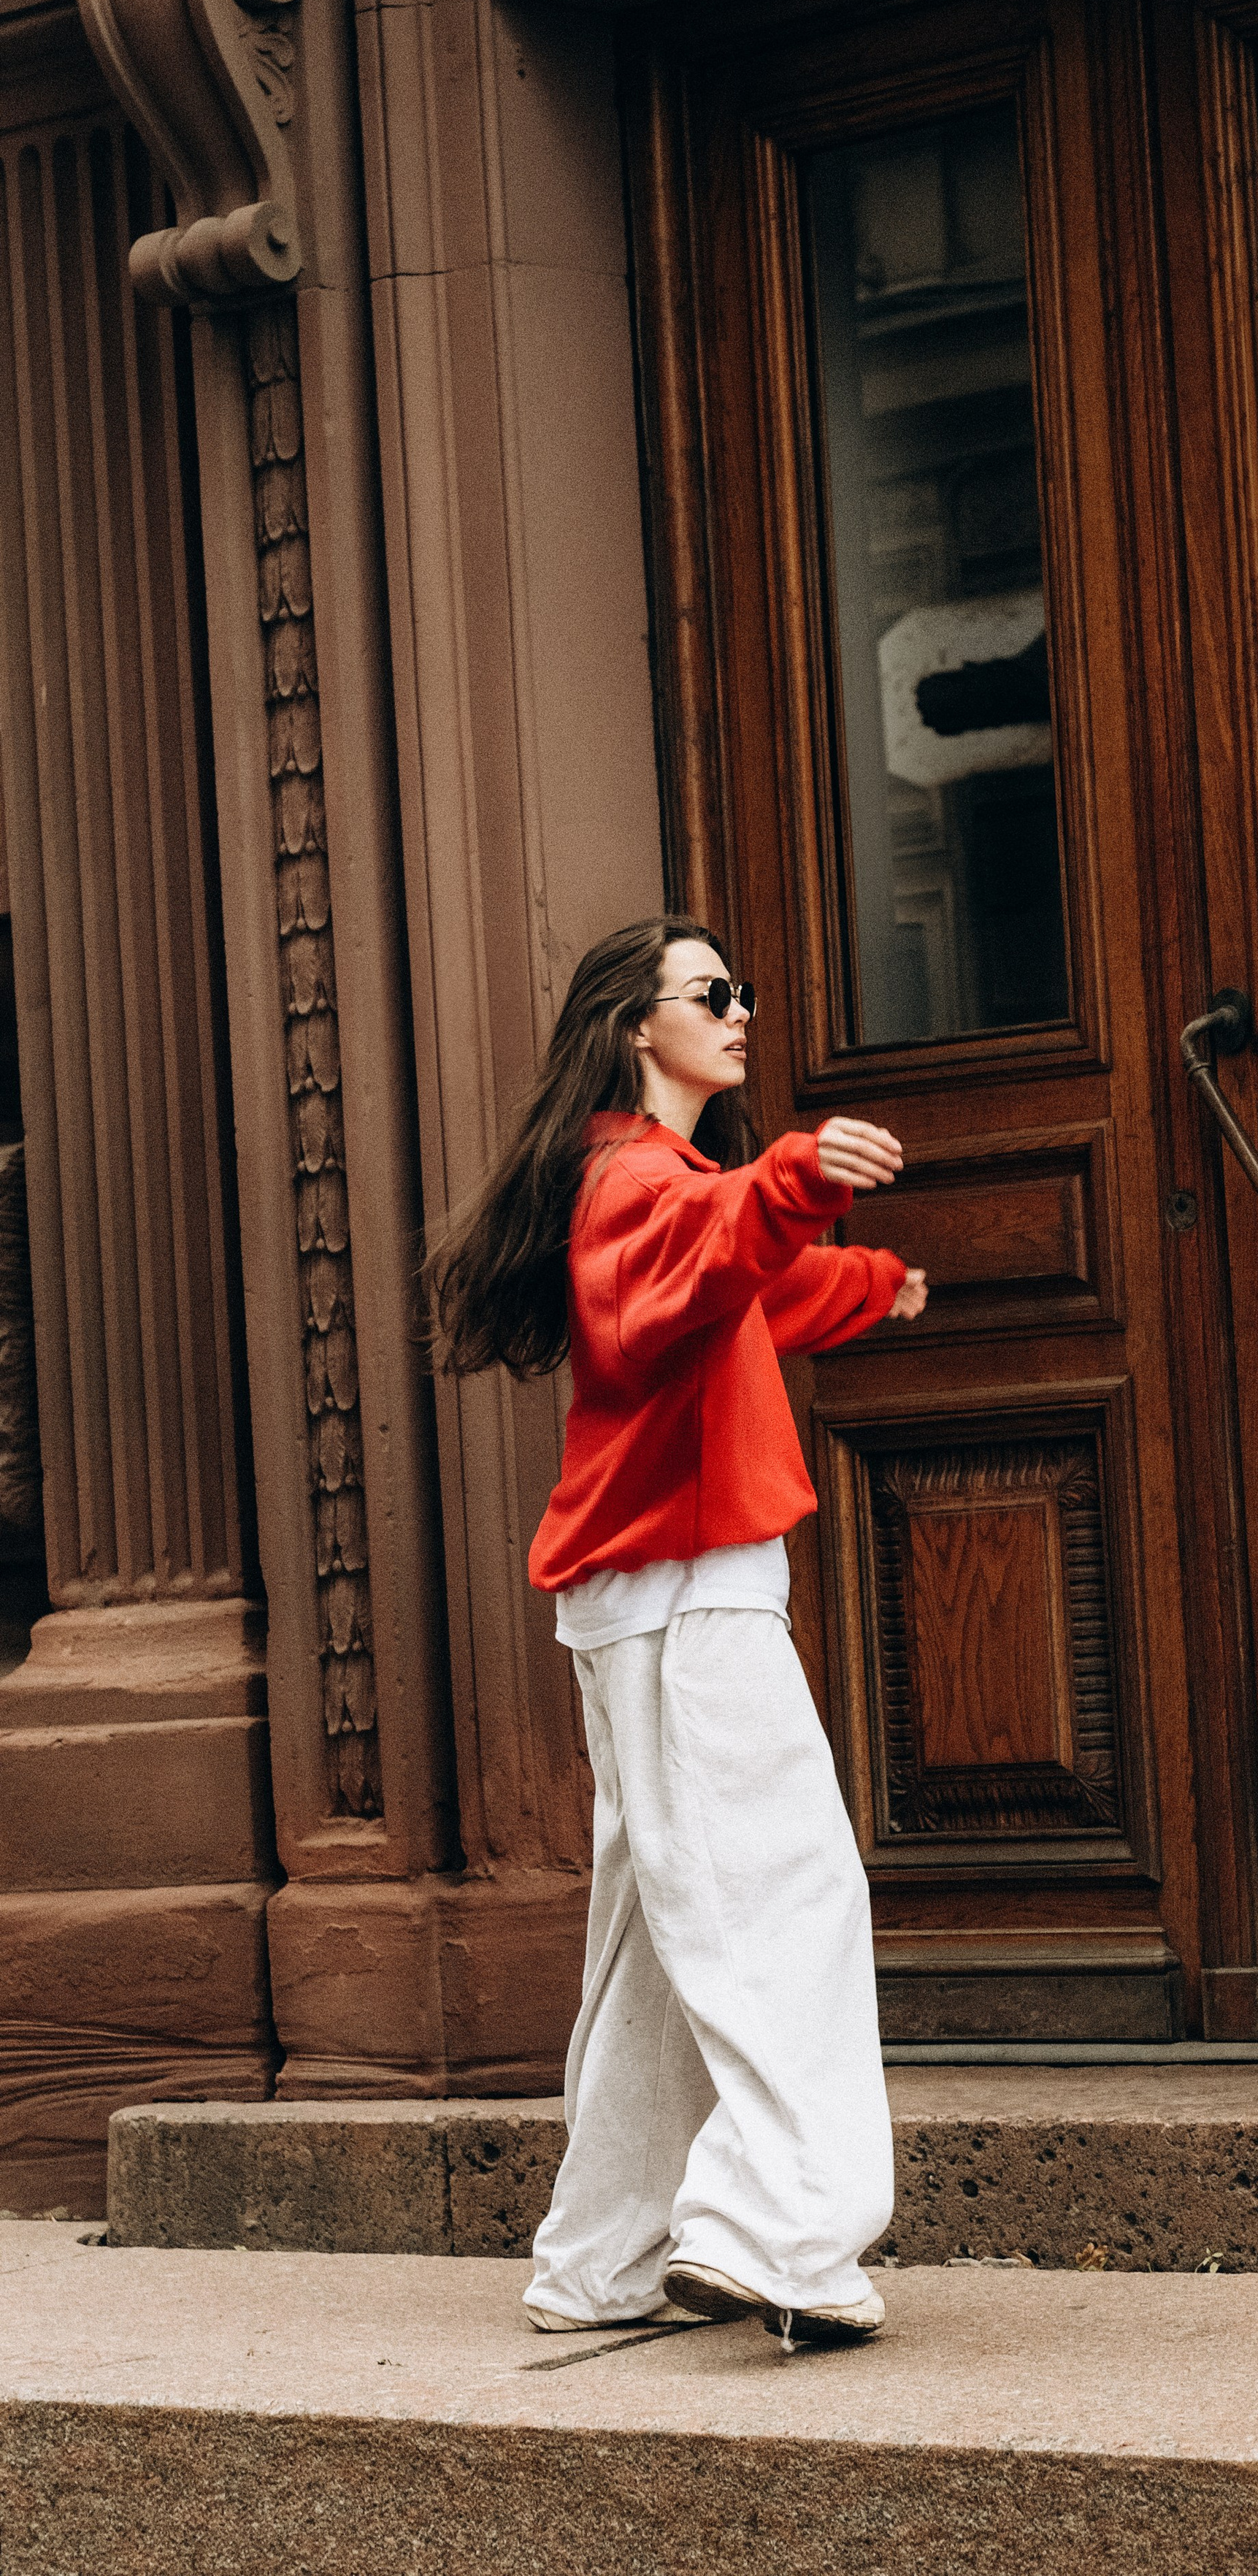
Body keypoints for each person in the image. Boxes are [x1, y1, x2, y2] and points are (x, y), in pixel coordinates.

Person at [424, 914, 927, 2350]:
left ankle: (605, 2258)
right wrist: (793, 1178)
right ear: (636, 1025)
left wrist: (869, 1281)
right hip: (686, 1589)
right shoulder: (636, 1176)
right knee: (782, 1903)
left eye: (739, 989)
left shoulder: (660, 1179)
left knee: (658, 1941)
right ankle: (779, 2234)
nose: (739, 1010)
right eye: (712, 992)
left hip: (659, 1590)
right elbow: (669, 1283)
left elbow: (744, 1288)